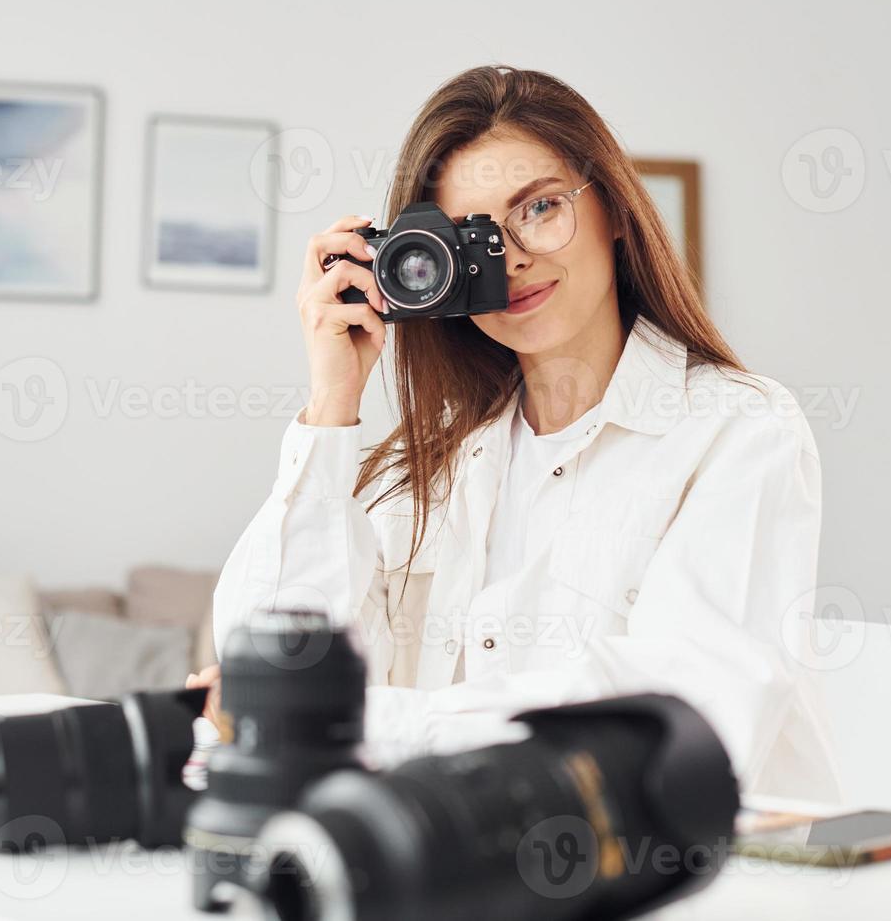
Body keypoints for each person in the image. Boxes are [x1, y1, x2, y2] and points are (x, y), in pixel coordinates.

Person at [192, 65, 840, 801]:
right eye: (473, 238)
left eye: (539, 208)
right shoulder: (427, 463)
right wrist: (332, 403)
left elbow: (679, 725)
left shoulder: (738, 431)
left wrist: (374, 725)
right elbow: (272, 666)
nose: (513, 256)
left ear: (617, 211)